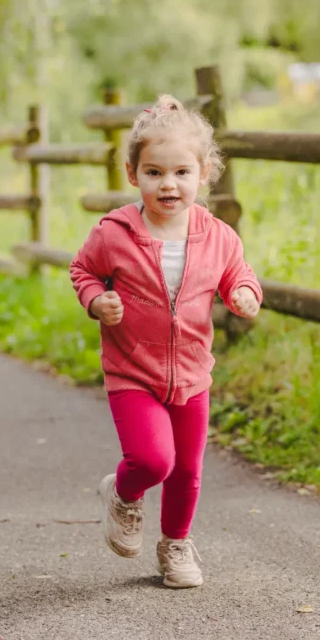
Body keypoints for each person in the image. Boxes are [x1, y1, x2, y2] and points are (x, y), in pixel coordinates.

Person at [70, 95, 262, 588]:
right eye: (154, 172)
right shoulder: (115, 233)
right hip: (132, 369)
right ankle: (123, 494)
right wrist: (96, 301)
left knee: (187, 470)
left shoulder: (219, 235)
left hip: (193, 373)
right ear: (133, 175)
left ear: (204, 174)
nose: (168, 184)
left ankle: (176, 545)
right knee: (154, 461)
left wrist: (243, 293)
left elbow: (237, 273)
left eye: (181, 172)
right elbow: (83, 270)